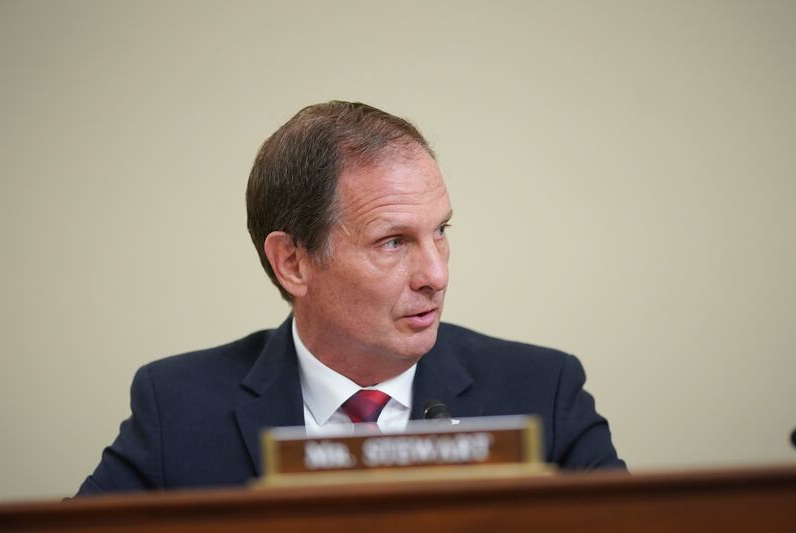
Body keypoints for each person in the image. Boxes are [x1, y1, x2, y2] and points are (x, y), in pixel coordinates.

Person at [76, 101, 625, 495]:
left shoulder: (540, 391)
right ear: (293, 261)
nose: (436, 274)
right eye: (393, 242)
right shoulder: (178, 406)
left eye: (441, 232)